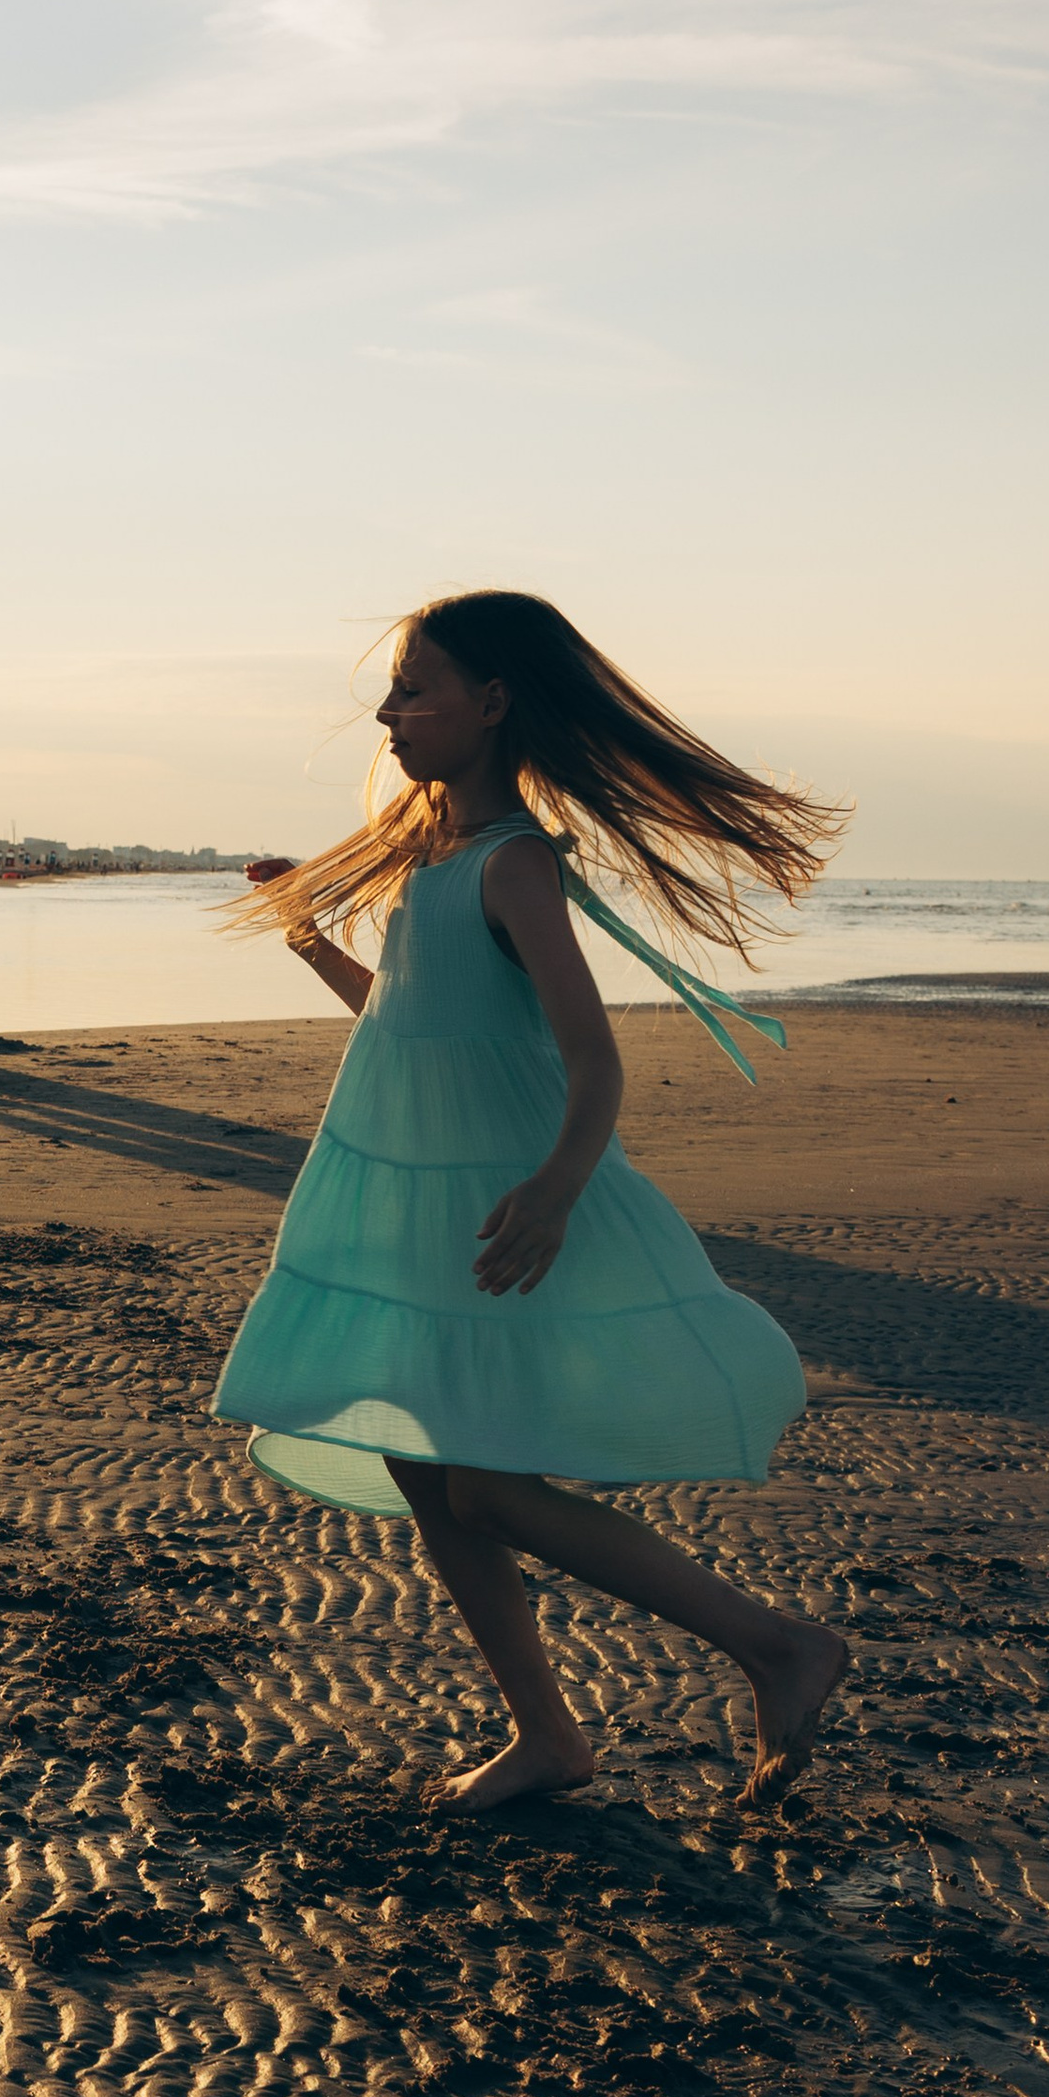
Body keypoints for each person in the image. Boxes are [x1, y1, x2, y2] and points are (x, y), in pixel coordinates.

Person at [215, 588, 852, 1813]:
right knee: (420, 1462)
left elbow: (595, 1059)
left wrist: (558, 1192)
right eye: (390, 693)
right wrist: (309, 939)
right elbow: (401, 1029)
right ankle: (547, 1736)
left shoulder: (512, 865)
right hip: (423, 1212)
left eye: (416, 689)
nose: (390, 713)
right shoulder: (430, 858)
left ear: (491, 703)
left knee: (490, 1485)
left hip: (504, 1210)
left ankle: (777, 1643)